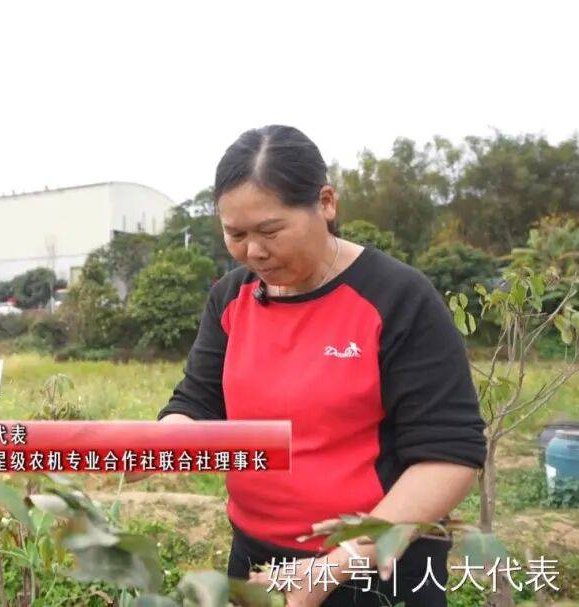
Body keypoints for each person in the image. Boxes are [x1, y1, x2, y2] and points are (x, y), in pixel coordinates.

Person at [155, 126, 487, 607]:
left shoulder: (397, 298)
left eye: (270, 231)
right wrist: (162, 442)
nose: (253, 252)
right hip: (258, 562)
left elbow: (449, 455)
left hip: (376, 567)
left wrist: (340, 561)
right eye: (236, 235)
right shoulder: (231, 298)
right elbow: (198, 401)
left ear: (326, 203)